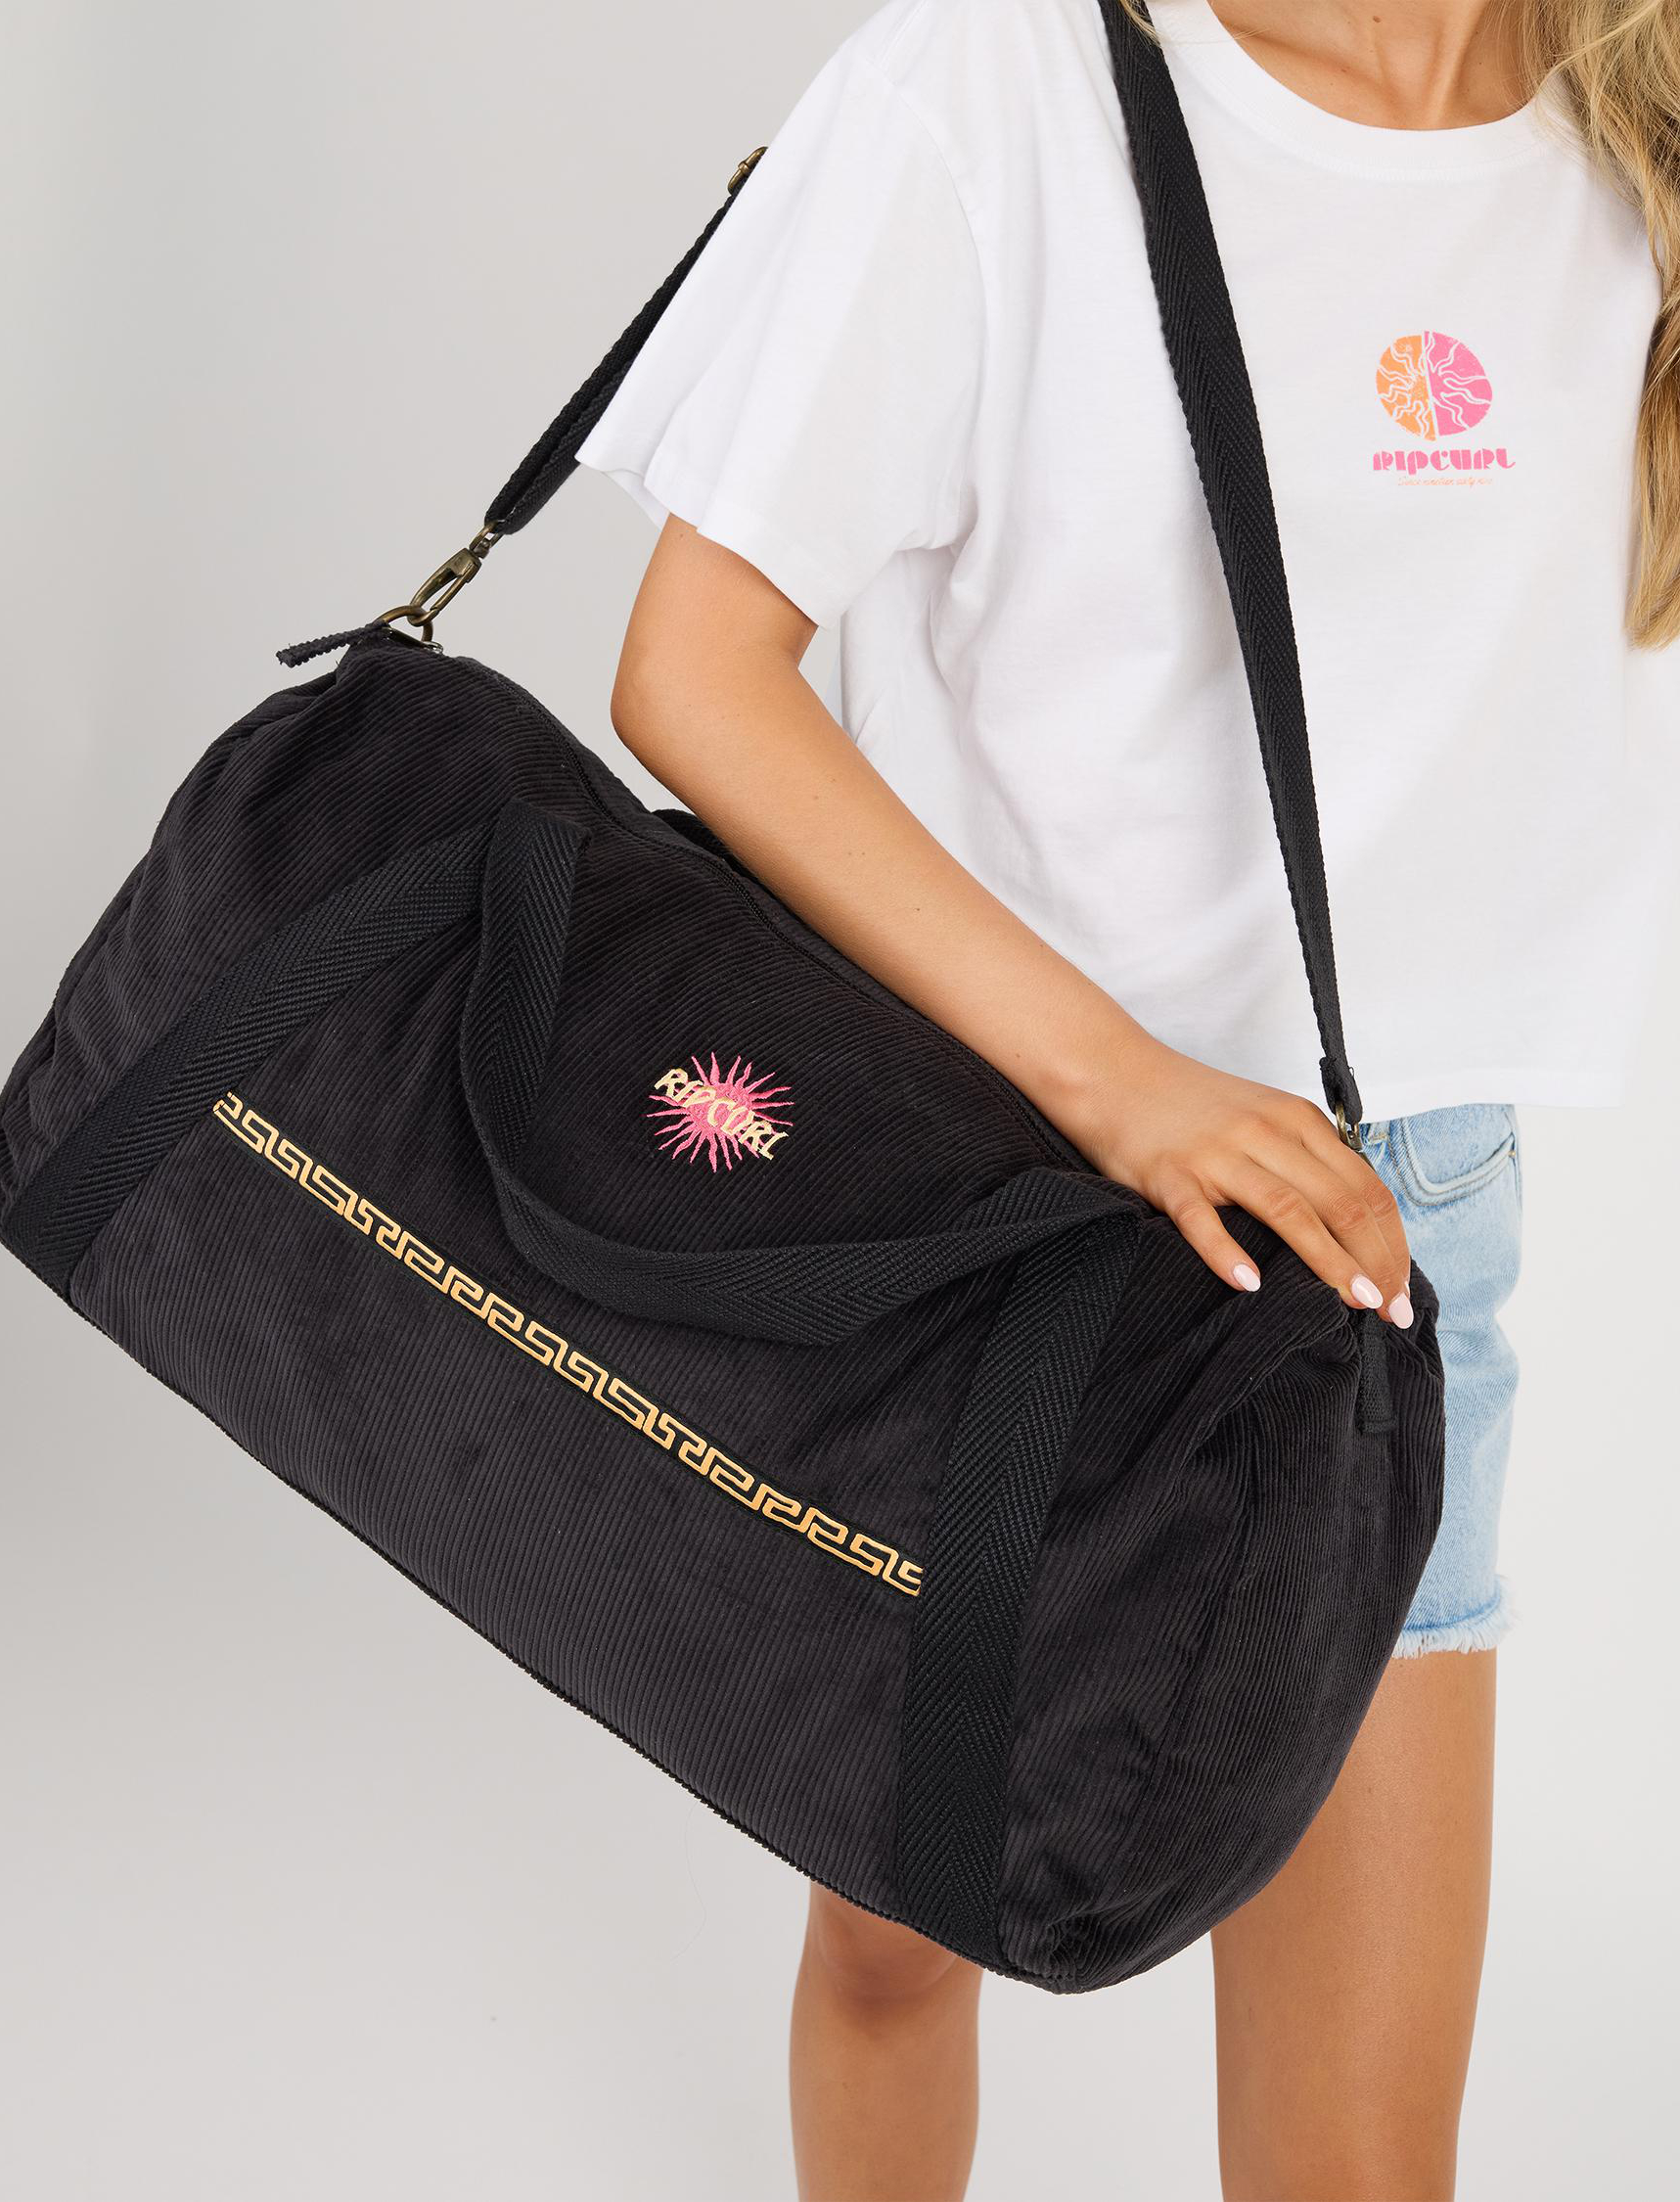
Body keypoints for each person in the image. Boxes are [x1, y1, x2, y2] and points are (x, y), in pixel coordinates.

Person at [573, 0, 1680, 2194]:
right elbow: (692, 670)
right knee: (898, 1956)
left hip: (1382, 1234)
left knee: (1359, 2162)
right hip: (996, 1179)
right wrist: (1130, 1083)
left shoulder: (1623, 126)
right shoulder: (1000, 84)